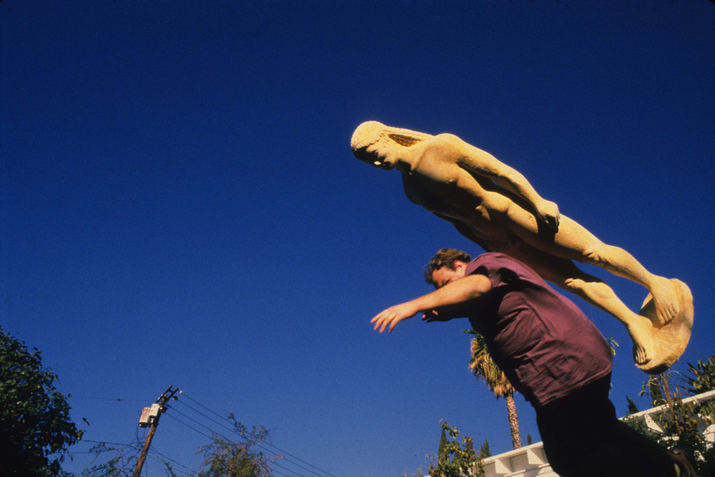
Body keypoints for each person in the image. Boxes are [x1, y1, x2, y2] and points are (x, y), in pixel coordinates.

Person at [352, 121, 692, 372]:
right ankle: (634, 324)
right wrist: (489, 247)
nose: (375, 161)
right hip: (496, 237)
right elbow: (456, 220)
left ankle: (654, 283)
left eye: (372, 152)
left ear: (383, 136)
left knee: (593, 252)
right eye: (367, 161)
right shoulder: (411, 191)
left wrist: (537, 201)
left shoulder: (439, 147)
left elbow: (500, 171)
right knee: (570, 280)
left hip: (519, 216)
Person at [371, 248, 696, 477]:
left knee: (568, 456)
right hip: (573, 366)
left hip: (564, 367)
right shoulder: (486, 294)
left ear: (459, 264)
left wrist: (411, 305)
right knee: (602, 433)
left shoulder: (485, 265)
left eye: (445, 284)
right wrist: (446, 312)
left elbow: (477, 286)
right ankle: (672, 466)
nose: (446, 291)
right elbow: (475, 299)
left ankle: (666, 468)